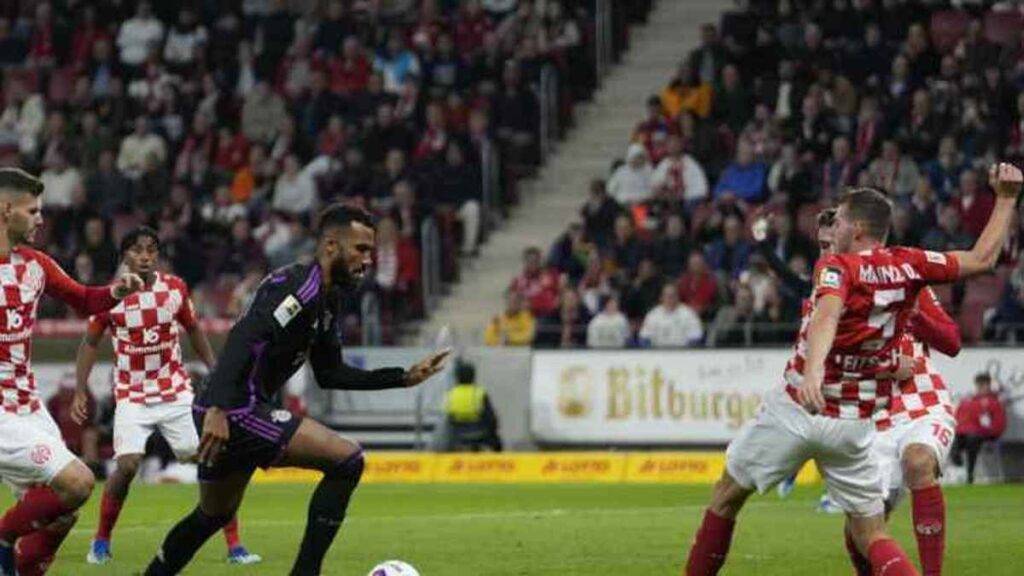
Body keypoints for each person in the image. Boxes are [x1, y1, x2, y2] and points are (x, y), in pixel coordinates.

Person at [684, 162, 1022, 576]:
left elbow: (826, 316)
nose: (831, 227)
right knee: (870, 534)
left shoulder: (836, 269)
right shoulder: (910, 265)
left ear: (858, 229)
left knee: (725, 498)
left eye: (839, 220)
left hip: (798, 408)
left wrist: (812, 374)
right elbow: (982, 258)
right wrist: (1006, 199)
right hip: (854, 426)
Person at [142, 204, 450, 576]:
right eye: (361, 249)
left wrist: (402, 377)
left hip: (230, 407)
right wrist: (220, 409)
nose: (369, 259)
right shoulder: (300, 287)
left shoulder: (327, 298)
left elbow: (331, 373)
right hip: (235, 408)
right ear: (332, 246)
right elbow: (245, 337)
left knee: (213, 514)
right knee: (347, 460)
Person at [758, 207, 962, 576]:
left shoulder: (908, 279)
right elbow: (832, 363)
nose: (825, 254)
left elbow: (951, 340)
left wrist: (910, 308)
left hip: (920, 399)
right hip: (868, 413)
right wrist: (885, 366)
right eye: (819, 247)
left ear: (852, 237)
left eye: (830, 243)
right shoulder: (824, 302)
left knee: (918, 463)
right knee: (864, 528)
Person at [71, 227, 261, 566]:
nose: (145, 255)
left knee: (213, 459)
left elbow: (194, 330)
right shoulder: (109, 295)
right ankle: (101, 541)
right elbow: (88, 343)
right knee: (127, 465)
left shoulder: (175, 288)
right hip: (132, 394)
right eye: (137, 249)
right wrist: (80, 389)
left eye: (151, 249)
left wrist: (218, 374)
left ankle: (235, 546)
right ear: (124, 256)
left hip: (175, 391)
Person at [0, 167, 142, 576]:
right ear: (6, 210)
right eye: (33, 211)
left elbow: (82, 299)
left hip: (26, 406)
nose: (41, 219)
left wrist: (114, 292)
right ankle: (3, 536)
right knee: (78, 482)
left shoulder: (36, 266)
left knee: (61, 514)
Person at [951, 373, 1007, 485]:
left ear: (989, 385)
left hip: (984, 435)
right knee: (954, 439)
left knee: (973, 439)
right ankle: (956, 463)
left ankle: (970, 474)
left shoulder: (994, 402)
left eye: (984, 385)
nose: (981, 388)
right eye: (979, 385)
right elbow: (957, 419)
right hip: (964, 434)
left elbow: (999, 423)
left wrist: (992, 432)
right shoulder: (967, 402)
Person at [443, 362, 502, 452]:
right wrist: (494, 429)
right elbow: (491, 417)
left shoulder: (451, 394)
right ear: (473, 376)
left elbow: (448, 416)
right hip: (479, 431)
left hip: (457, 432)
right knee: (496, 442)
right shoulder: (479, 393)